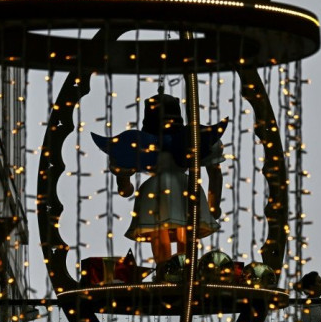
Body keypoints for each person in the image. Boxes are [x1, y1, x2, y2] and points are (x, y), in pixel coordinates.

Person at [93, 93, 226, 280]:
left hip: (155, 191)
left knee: (161, 228)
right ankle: (181, 270)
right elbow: (215, 172)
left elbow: (125, 190)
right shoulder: (192, 139)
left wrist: (124, 180)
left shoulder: (138, 144)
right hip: (185, 188)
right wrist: (214, 204)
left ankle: (167, 270)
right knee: (183, 229)